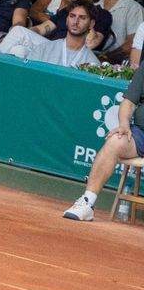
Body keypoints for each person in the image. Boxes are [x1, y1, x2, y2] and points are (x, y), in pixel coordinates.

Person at [61, 60, 144, 221]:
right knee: (115, 141)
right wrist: (124, 125)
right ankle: (87, 202)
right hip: (141, 133)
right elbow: (128, 102)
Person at [0, 0, 101, 69]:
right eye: (72, 16)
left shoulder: (93, 63)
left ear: (91, 24)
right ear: (66, 19)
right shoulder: (43, 48)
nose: (76, 21)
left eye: (82, 18)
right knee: (18, 50)